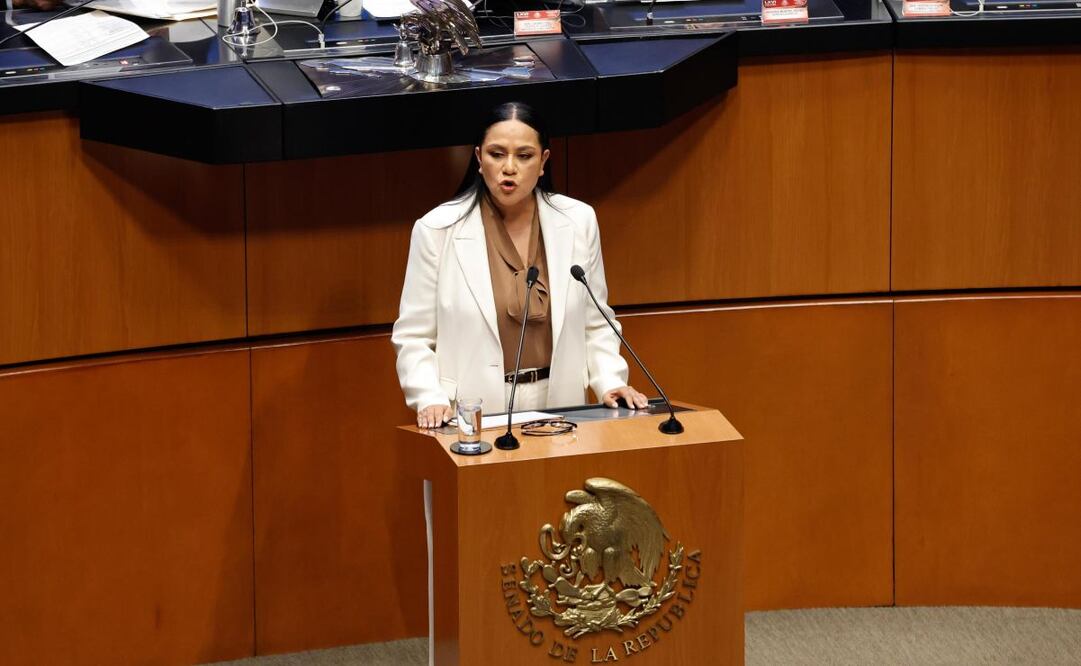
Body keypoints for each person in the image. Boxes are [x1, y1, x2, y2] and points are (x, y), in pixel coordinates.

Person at [392, 101, 649, 429]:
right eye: (496, 154)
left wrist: (610, 380)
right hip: (474, 410)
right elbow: (413, 336)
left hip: (561, 405)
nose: (508, 168)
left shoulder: (578, 220)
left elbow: (597, 322)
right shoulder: (437, 229)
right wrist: (429, 397)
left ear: (543, 162)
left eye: (524, 156)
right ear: (478, 159)